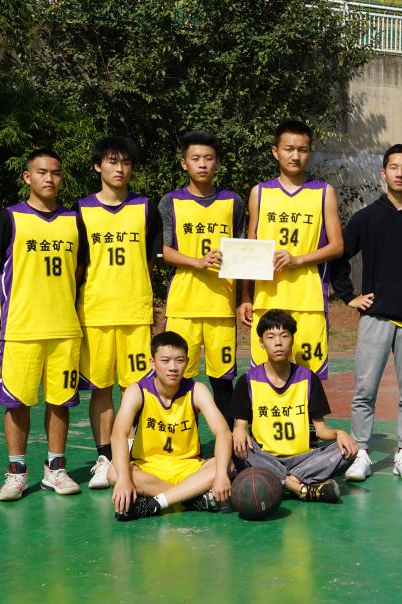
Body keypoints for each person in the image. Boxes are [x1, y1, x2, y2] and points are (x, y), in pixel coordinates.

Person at [0, 148, 88, 502]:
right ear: (28, 176)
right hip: (21, 329)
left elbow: (78, 271)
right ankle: (16, 473)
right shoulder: (9, 217)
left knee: (60, 402)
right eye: (42, 172)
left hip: (64, 329)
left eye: (55, 173)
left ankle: (55, 470)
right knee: (17, 402)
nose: (49, 178)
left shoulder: (73, 220)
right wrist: (10, 298)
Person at [329, 144, 402, 482]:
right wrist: (349, 296)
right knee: (365, 390)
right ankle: (361, 452)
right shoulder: (367, 217)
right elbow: (338, 256)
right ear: (384, 172)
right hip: (374, 318)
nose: (399, 173)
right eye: (393, 167)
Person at [75, 136, 161, 490]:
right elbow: (78, 266)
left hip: (135, 312)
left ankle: (130, 452)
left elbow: (151, 262)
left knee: (135, 388)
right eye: (112, 161)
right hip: (95, 312)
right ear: (98, 166)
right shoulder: (80, 210)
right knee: (101, 388)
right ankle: (105, 457)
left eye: (126, 162)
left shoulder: (146, 208)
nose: (119, 169)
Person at [238, 120, 344, 380]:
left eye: (302, 150)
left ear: (309, 152)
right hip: (267, 301)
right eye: (289, 149)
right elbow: (250, 249)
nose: (295, 156)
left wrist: (298, 260)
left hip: (309, 302)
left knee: (310, 380)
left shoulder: (324, 192)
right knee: (264, 379)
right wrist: (246, 297)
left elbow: (337, 246)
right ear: (275, 152)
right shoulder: (259, 193)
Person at [159, 131, 245, 418]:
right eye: (195, 158)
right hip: (183, 306)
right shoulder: (170, 202)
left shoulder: (233, 201)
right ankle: (184, 439)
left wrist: (244, 298)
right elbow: (164, 251)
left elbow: (242, 250)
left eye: (208, 158)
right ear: (184, 163)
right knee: (179, 379)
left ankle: (229, 439)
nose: (202, 164)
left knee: (222, 380)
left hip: (221, 305)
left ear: (217, 163)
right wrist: (196, 262)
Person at [229, 310, 357, 502]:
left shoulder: (308, 378)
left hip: (303, 458)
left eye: (284, 336)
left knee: (349, 448)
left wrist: (339, 433)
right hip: (265, 457)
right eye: (271, 337)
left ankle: (286, 481)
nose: (278, 342)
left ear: (292, 340)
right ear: (261, 343)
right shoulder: (248, 380)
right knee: (234, 446)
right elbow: (240, 427)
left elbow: (321, 430)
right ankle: (301, 487)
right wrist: (239, 430)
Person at [108, 331, 233, 520]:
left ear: (187, 362)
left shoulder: (196, 390)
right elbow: (118, 435)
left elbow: (223, 432)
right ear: (152, 362)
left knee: (226, 465)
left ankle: (155, 504)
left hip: (188, 467)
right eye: (165, 361)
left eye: (179, 360)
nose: (173, 367)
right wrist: (125, 479)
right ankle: (191, 498)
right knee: (113, 473)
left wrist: (221, 474)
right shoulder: (137, 391)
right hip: (148, 468)